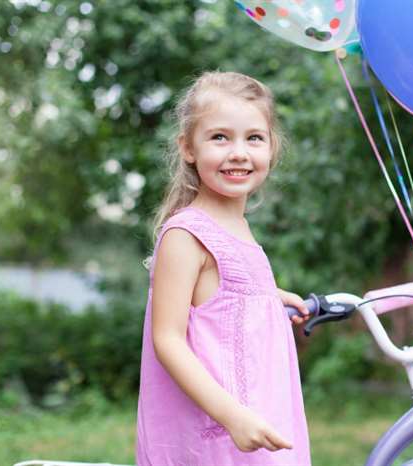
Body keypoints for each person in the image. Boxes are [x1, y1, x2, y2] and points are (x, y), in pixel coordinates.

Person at [136, 71, 312, 466]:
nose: (238, 152)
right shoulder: (185, 233)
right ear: (188, 148)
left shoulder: (239, 228)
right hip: (217, 438)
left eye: (254, 138)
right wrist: (232, 416)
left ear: (272, 147)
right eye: (219, 137)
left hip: (262, 418)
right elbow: (168, 340)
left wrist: (271, 297)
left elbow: (219, 299)